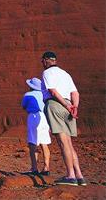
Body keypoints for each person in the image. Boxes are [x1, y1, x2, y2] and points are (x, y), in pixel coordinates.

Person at [41, 51, 86, 186]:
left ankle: (70, 176)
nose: (42, 63)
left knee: (62, 142)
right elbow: (75, 93)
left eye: (42, 61)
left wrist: (66, 105)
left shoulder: (47, 73)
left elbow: (53, 91)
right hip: (69, 107)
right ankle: (79, 176)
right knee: (69, 143)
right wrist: (74, 107)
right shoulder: (65, 74)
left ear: (45, 60)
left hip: (56, 105)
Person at [21, 77, 51, 175]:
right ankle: (46, 168)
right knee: (44, 143)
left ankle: (34, 168)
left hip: (33, 117)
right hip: (44, 117)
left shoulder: (28, 95)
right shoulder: (44, 94)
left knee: (33, 143)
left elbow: (24, 106)